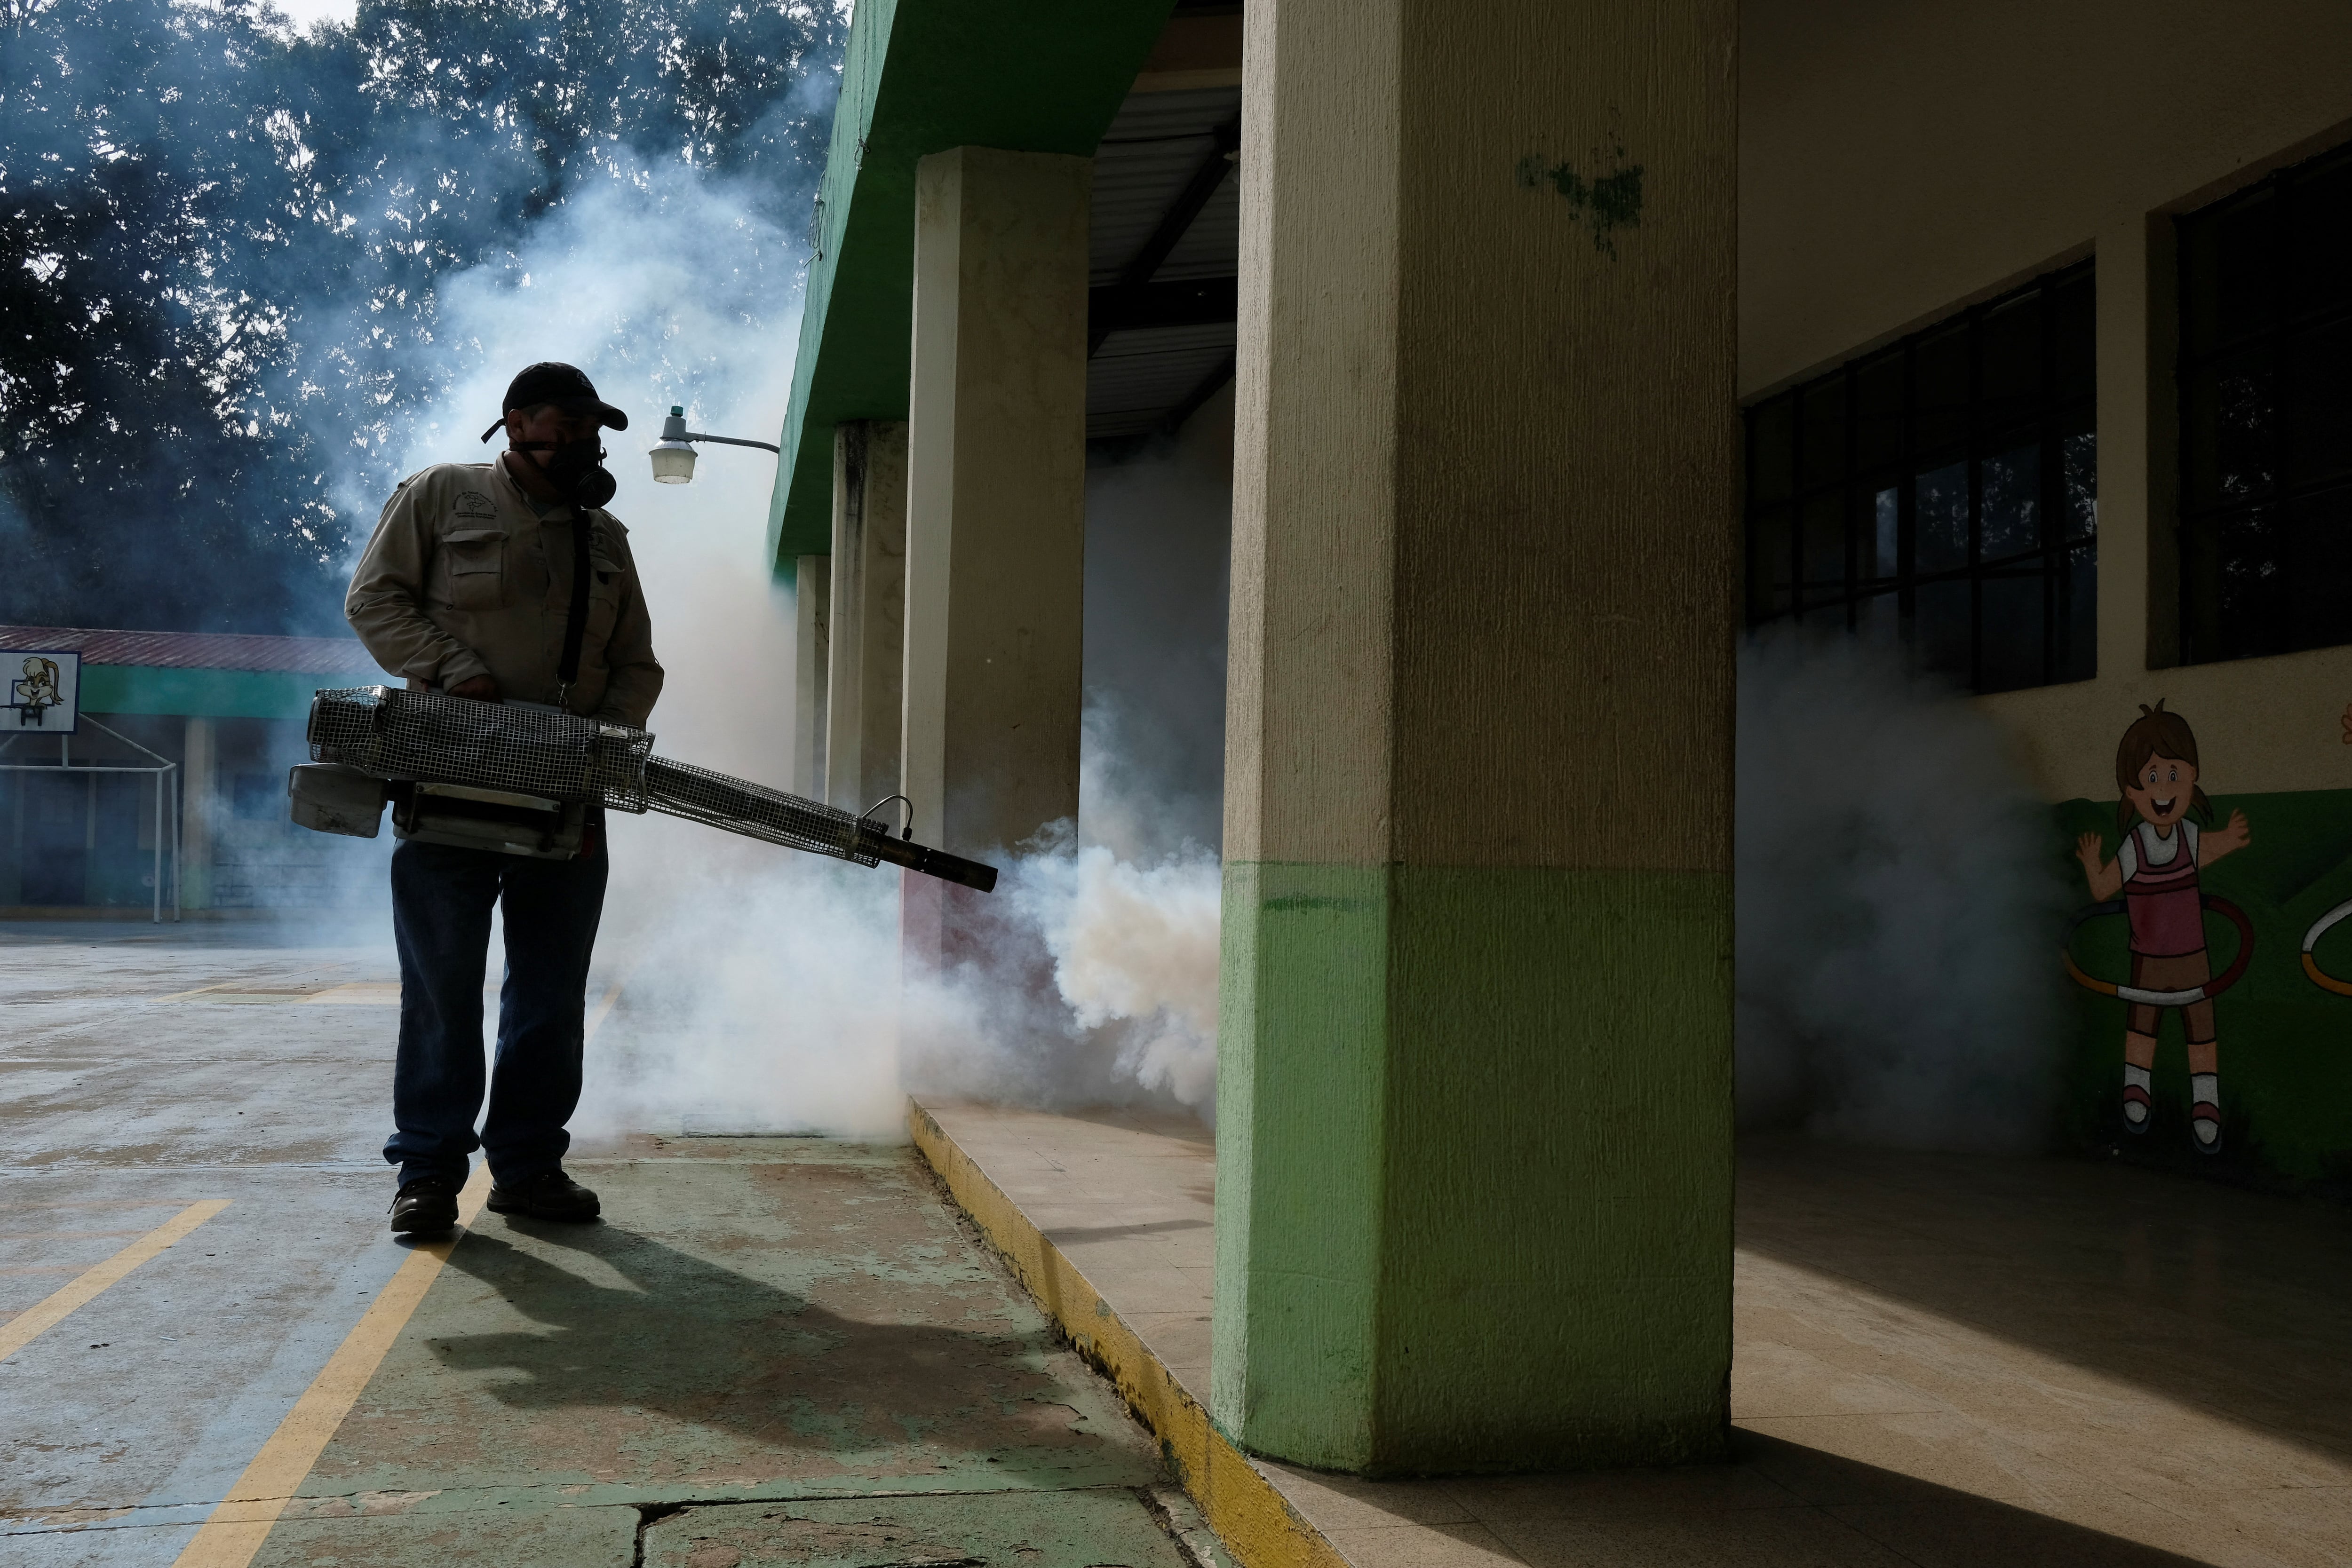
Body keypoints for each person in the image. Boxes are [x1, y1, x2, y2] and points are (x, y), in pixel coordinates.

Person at [346, 363, 663, 1235]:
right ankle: (429, 1172)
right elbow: (373, 599)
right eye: (571, 426)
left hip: (564, 803)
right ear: (518, 423)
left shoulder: (606, 539)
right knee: (444, 989)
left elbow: (637, 664)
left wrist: (598, 741)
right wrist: (459, 671)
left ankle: (526, 1166)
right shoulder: (442, 496)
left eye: (595, 432)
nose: (587, 447)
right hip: (447, 786)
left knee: (550, 995)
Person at [2073, 701, 2249, 1154]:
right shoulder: (2135, 845)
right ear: (2132, 792)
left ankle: (2206, 1104)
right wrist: (2094, 867)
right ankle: (2137, 1090)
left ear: (2192, 776)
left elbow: (2210, 848)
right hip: (2149, 959)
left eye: (2173, 774)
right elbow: (2104, 888)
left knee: (2201, 1030)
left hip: (2194, 958)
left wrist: (2230, 839)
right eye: (2152, 777)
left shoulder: (2189, 836)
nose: (2164, 788)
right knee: (2142, 1025)